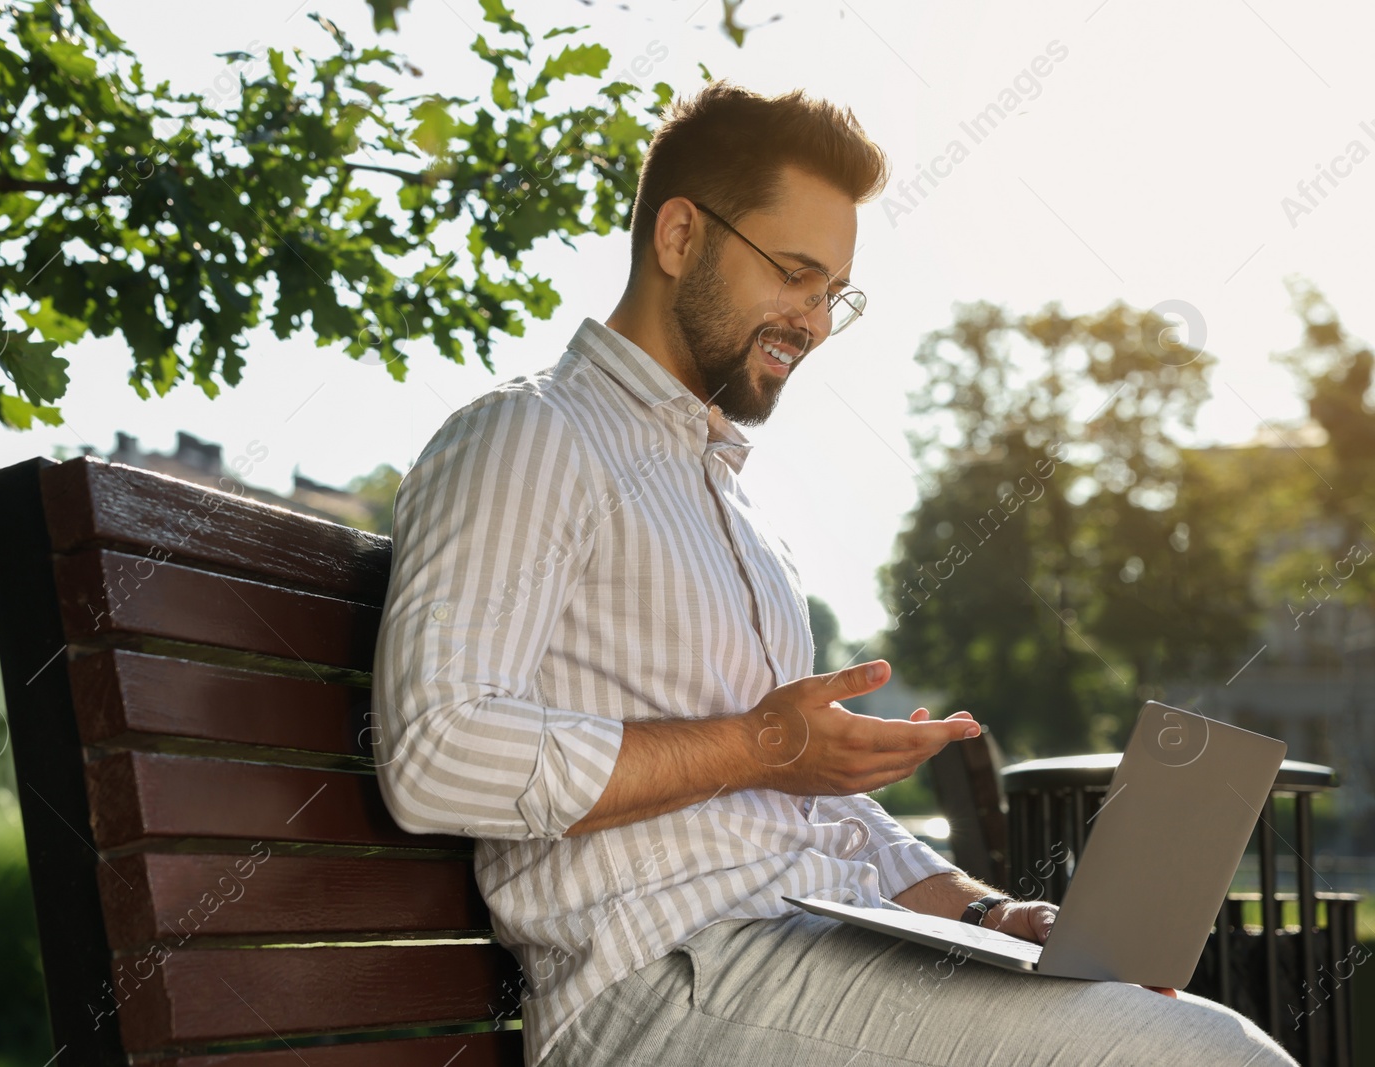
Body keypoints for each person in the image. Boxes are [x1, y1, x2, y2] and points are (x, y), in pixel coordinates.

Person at [370, 81, 1297, 1067]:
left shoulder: (733, 511)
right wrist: (763, 740)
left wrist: (990, 911)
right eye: (793, 274)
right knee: (1198, 1055)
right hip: (661, 984)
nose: (812, 321)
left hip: (807, 948)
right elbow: (436, 753)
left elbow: (801, 799)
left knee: (1186, 1033)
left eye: (831, 293)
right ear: (680, 236)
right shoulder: (531, 436)